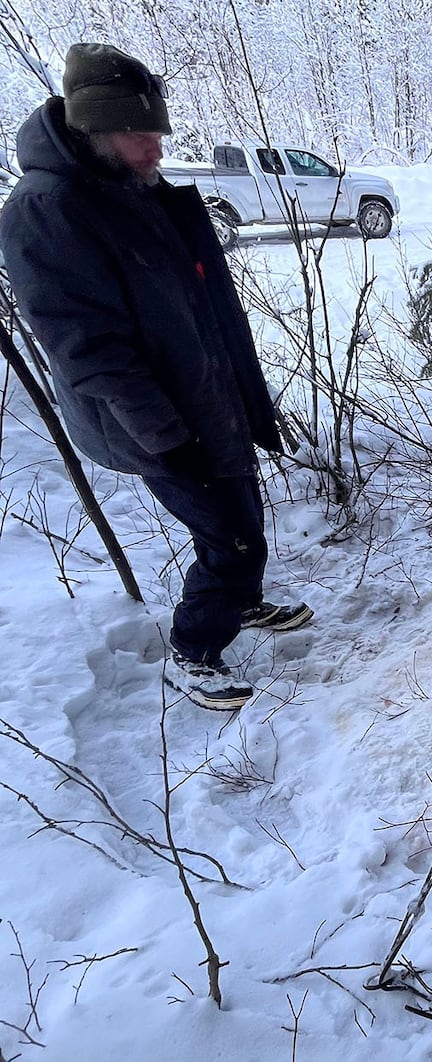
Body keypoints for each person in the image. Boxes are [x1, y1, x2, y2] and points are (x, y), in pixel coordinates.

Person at [0, 43, 312, 711]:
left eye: (158, 132)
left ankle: (244, 600)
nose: (156, 149)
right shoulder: (46, 208)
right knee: (227, 532)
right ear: (94, 131)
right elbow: (87, 346)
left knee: (244, 508)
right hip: (152, 418)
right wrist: (165, 434)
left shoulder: (129, 185)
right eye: (140, 135)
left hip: (204, 393)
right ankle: (194, 651)